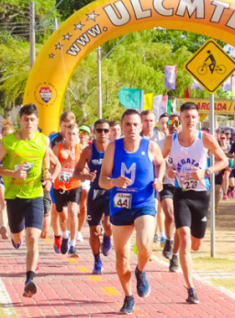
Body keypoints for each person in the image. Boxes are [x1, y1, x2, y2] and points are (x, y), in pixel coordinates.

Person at [0, 104, 61, 298]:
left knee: (33, 239)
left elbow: (57, 164)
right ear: (19, 120)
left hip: (35, 195)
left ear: (37, 121)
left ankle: (29, 280)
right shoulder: (9, 141)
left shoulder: (42, 140)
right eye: (26, 119)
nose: (29, 123)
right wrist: (12, 172)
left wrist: (49, 179)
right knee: (18, 237)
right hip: (13, 196)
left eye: (32, 119)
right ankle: (15, 238)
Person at [99, 109, 165, 314]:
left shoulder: (150, 146)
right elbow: (102, 180)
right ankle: (128, 296)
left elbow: (161, 163)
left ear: (142, 126)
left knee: (145, 245)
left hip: (144, 202)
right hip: (120, 206)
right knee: (121, 257)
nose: (132, 128)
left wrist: (159, 179)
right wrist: (114, 182)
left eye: (136, 124)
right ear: (121, 127)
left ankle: (141, 271)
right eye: (127, 124)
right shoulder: (113, 148)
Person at [162, 102, 228, 304]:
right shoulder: (170, 140)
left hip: (201, 195)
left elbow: (224, 161)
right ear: (179, 119)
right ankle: (191, 288)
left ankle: (174, 250)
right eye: (186, 117)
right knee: (184, 238)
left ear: (198, 119)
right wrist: (167, 171)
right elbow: (159, 160)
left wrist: (206, 171)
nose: (190, 120)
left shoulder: (205, 139)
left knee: (196, 244)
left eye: (193, 117)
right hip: (181, 193)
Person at [73, 119, 112, 274]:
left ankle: (108, 238)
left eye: (105, 130)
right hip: (94, 193)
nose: (102, 133)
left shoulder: (114, 148)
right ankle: (97, 260)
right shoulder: (88, 151)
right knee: (94, 231)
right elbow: (76, 172)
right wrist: (86, 177)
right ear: (94, 132)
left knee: (108, 225)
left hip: (110, 192)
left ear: (109, 132)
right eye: (99, 130)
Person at [52, 123, 83, 257]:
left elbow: (83, 166)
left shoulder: (80, 149)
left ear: (77, 135)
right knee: (63, 216)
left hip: (74, 185)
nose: (71, 136)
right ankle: (64, 236)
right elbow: (53, 169)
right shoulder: (57, 148)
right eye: (69, 133)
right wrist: (65, 162)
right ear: (65, 134)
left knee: (72, 211)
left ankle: (73, 245)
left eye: (74, 134)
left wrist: (86, 171)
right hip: (59, 186)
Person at [48, 111, 76, 253]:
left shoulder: (76, 138)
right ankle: (57, 236)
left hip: (72, 180)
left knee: (72, 211)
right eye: (65, 126)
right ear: (60, 125)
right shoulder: (53, 139)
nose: (67, 130)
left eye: (70, 126)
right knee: (56, 210)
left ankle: (70, 237)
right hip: (57, 179)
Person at [141, 110, 166, 245]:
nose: (148, 123)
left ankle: (155, 235)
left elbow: (164, 158)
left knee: (156, 208)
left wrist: (161, 178)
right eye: (145, 120)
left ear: (155, 122)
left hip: (156, 179)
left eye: (151, 120)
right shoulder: (137, 137)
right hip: (141, 180)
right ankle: (149, 235)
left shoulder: (161, 136)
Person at [160, 113, 180, 271]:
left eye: (176, 122)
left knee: (181, 223)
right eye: (169, 123)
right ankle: (169, 239)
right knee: (170, 215)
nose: (173, 125)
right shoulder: (160, 144)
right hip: (166, 184)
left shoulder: (188, 144)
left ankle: (175, 256)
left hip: (183, 186)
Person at [0, 120, 14, 239]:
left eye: (10, 135)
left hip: (13, 179)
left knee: (12, 205)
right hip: (1, 178)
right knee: (3, 204)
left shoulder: (17, 145)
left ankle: (14, 228)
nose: (7, 137)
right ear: (2, 135)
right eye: (5, 135)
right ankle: (4, 226)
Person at [77, 125, 92, 244]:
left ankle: (78, 231)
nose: (82, 134)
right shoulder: (74, 146)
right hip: (74, 178)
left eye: (85, 132)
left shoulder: (90, 149)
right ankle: (68, 230)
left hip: (85, 179)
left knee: (83, 207)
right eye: (80, 132)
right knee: (72, 208)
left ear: (89, 136)